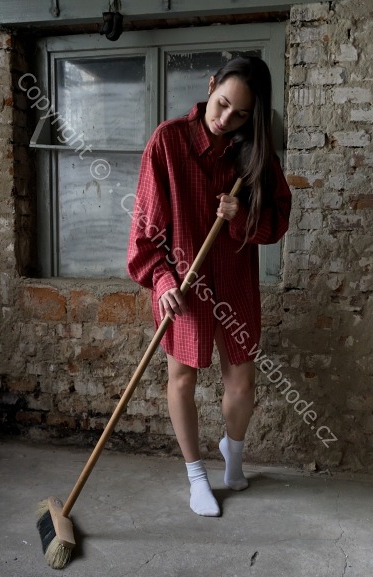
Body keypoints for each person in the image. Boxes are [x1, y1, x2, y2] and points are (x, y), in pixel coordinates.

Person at [127, 55, 291, 517]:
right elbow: (144, 229)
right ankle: (196, 475)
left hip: (235, 278)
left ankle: (233, 457)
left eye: (240, 114)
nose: (225, 120)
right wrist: (161, 281)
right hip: (183, 283)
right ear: (211, 83)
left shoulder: (254, 151)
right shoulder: (168, 141)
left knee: (241, 382)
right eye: (221, 104)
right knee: (182, 378)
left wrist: (242, 221)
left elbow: (278, 218)